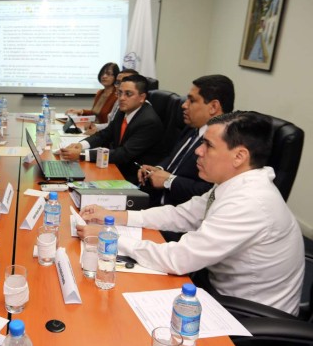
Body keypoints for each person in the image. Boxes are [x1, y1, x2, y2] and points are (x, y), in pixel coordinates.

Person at [77, 111, 304, 315]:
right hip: (217, 290)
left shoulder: (249, 202)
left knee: (119, 309)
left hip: (250, 317)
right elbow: (182, 215)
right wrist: (117, 216)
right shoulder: (233, 184)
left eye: (208, 145)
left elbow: (178, 259)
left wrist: (109, 238)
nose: (198, 151)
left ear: (239, 156)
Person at [138, 74, 235, 207]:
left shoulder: (224, 143)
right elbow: (173, 157)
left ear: (213, 107)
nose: (184, 105)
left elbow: (210, 192)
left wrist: (170, 181)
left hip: (182, 213)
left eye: (192, 101)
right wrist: (158, 169)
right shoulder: (192, 127)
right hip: (155, 203)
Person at [60, 74, 165, 184]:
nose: (122, 98)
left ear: (142, 98)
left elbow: (124, 154)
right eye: (120, 93)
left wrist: (82, 155)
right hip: (116, 166)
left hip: (134, 177)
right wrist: (81, 145)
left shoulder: (148, 121)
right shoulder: (123, 110)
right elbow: (106, 134)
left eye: (128, 94)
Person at [83, 68, 138, 136]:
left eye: (125, 82)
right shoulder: (117, 100)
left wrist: (97, 130)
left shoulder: (136, 107)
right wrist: (95, 127)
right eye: (118, 82)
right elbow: (112, 125)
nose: (120, 86)